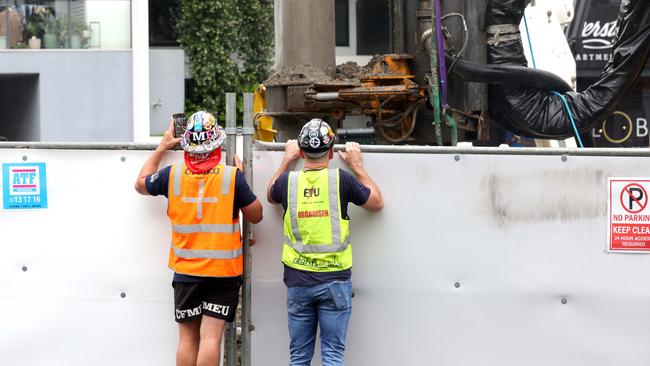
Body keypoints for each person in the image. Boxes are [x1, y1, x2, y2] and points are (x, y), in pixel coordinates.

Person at [134, 111, 263, 366]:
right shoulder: (231, 177)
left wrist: (162, 146)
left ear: (186, 146)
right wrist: (240, 181)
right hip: (222, 274)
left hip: (186, 273)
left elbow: (140, 184)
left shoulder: (171, 175)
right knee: (210, 339)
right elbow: (256, 215)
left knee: (187, 340)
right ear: (217, 144)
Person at [267, 119, 383, 366]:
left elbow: (270, 193)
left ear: (301, 151)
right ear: (331, 152)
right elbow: (376, 203)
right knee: (332, 355)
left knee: (299, 357)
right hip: (334, 281)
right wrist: (358, 167)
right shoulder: (341, 179)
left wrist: (287, 160)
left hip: (298, 281)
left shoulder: (289, 182)